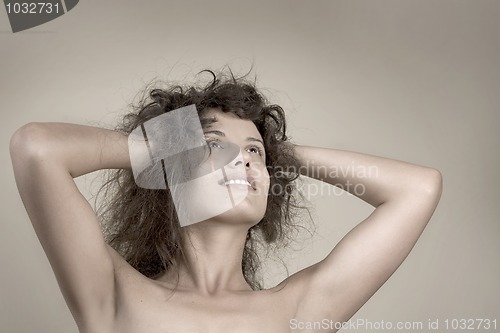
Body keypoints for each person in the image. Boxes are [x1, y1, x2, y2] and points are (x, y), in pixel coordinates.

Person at [10, 70, 442, 333]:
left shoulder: (299, 310)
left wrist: (278, 152)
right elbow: (37, 148)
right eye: (215, 146)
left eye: (254, 152)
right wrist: (173, 141)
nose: (243, 161)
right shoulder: (111, 293)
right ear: (169, 167)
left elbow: (418, 188)